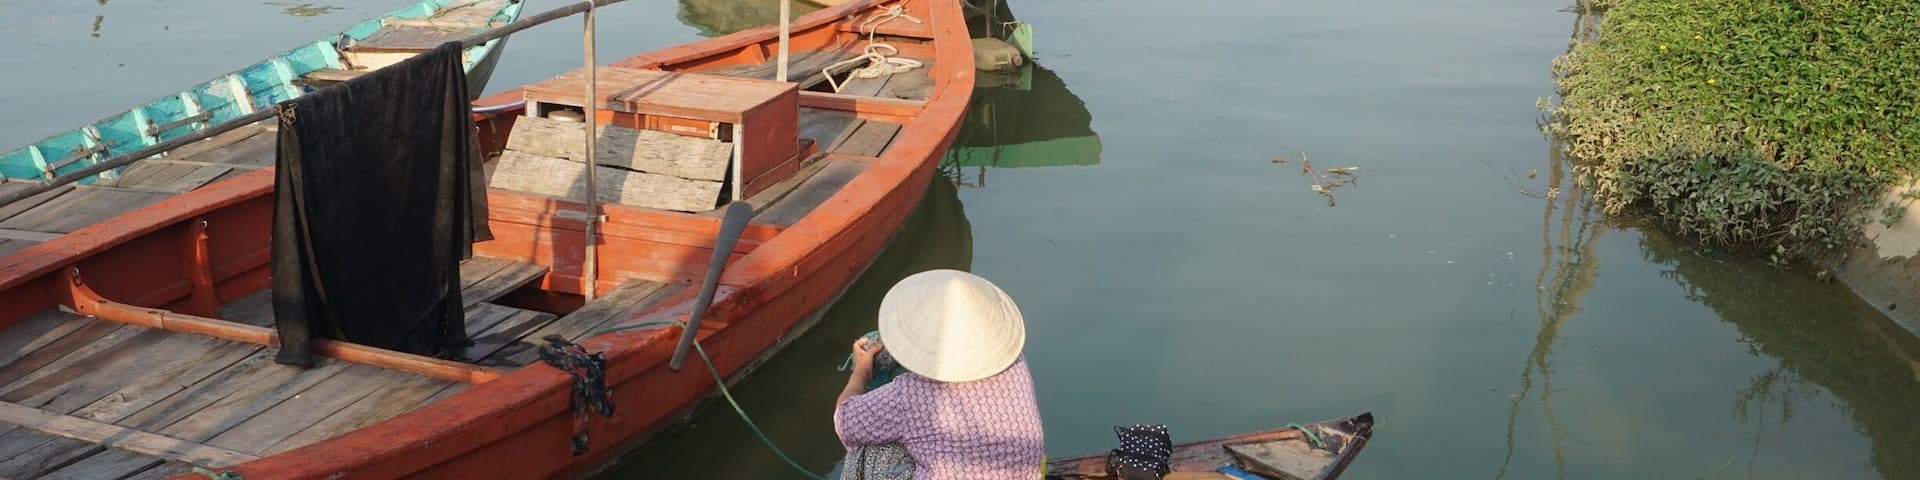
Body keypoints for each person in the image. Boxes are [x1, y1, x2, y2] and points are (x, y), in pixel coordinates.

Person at [834, 269, 1045, 479]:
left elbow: (845, 421)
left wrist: (861, 371)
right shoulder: (1014, 361)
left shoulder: (911, 393)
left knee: (868, 449)